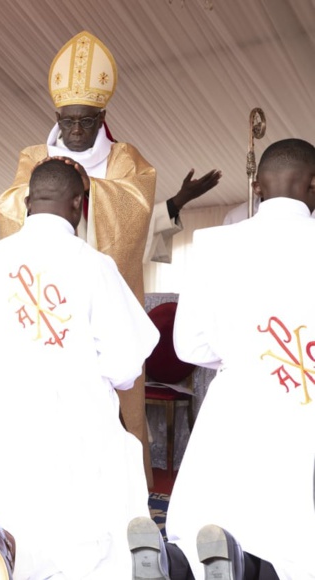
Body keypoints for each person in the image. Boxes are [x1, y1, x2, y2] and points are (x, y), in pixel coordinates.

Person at [0, 159, 158, 578]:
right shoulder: (95, 265)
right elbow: (125, 369)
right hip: (68, 436)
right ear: (79, 206)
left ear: (27, 203)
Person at [140, 138, 315, 580]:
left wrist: (241, 358)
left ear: (256, 186)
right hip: (304, 407)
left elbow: (189, 349)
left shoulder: (215, 243)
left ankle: (180, 565)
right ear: (314, 185)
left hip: (234, 411)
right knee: (294, 539)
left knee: (211, 518)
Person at [0, 31, 160, 486]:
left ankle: (127, 493)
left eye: (86, 121)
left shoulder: (125, 158)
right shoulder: (35, 155)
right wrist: (51, 186)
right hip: (46, 301)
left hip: (104, 298)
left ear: (102, 116)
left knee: (116, 402)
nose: (76, 131)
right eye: (68, 121)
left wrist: (88, 186)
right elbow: (10, 204)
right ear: (57, 116)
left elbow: (138, 206)